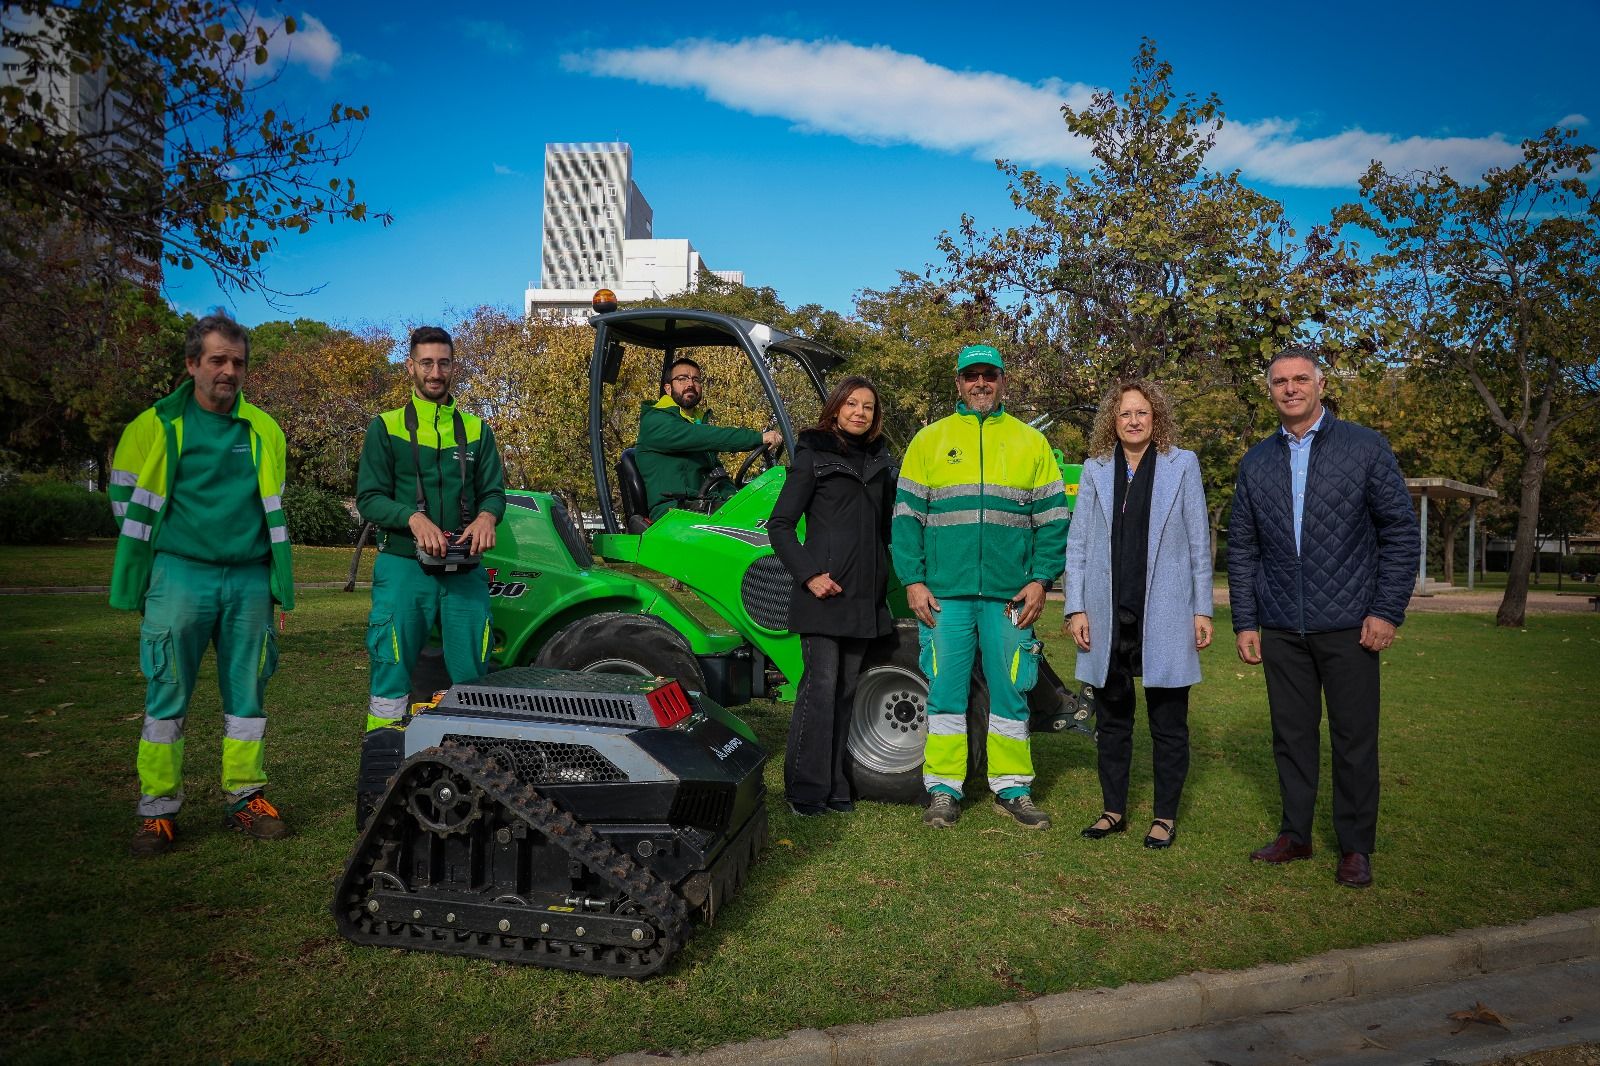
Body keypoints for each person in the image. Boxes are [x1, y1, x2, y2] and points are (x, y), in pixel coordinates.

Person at [1229, 346, 1418, 889]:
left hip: (1350, 623)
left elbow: (1401, 533)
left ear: (1319, 384)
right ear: (1270, 390)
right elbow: (1242, 548)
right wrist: (1246, 620)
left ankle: (1355, 848)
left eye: (1300, 379)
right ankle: (1296, 834)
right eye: (1280, 381)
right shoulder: (1257, 461)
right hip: (1283, 625)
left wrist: (1386, 610)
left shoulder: (1364, 447)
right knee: (1291, 736)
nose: (1290, 389)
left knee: (1354, 738)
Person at [110, 315, 296, 856]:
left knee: (249, 695)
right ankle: (158, 811)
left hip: (248, 578)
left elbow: (272, 504)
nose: (229, 371)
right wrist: (160, 556)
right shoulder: (155, 425)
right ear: (192, 364)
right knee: (167, 690)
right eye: (217, 360)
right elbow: (124, 500)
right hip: (179, 573)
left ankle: (245, 797)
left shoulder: (264, 429)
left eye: (237, 362)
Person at [891, 343, 1070, 830]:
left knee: (1012, 689)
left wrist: (1040, 581)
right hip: (944, 594)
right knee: (945, 691)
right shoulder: (928, 441)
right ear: (958, 383)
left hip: (1012, 595)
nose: (980, 384)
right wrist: (913, 581)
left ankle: (1012, 787)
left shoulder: (1030, 443)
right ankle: (944, 790)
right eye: (972, 376)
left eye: (989, 375)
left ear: (1002, 380)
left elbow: (1053, 521)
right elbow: (906, 520)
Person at [1063, 380, 1212, 849]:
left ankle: (1164, 816)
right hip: (1108, 615)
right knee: (1113, 722)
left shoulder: (1181, 464)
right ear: (1113, 419)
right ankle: (1113, 811)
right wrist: (1076, 606)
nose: (1133, 420)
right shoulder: (1094, 469)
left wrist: (1202, 609)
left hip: (1166, 612)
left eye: (1142, 413)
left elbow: (1197, 543)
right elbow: (1080, 545)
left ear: (1156, 418)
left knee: (1169, 721)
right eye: (1125, 413)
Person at [356, 326, 506, 734]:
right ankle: (383, 763)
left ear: (454, 366)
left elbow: (494, 493)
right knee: (391, 673)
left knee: (475, 679)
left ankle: (475, 768)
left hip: (464, 570)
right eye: (426, 363)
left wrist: (486, 517)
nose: (435, 372)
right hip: (404, 566)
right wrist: (412, 517)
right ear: (410, 367)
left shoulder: (477, 430)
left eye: (443, 363)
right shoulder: (384, 428)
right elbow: (368, 498)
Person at [767, 376, 895, 816]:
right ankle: (805, 788)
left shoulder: (881, 462)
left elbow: (884, 531)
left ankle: (836, 784)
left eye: (869, 407)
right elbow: (779, 525)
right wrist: (809, 576)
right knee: (819, 689)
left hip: (863, 596)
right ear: (836, 408)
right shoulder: (813, 455)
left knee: (845, 692)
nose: (860, 412)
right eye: (852, 404)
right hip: (823, 595)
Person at [635, 356, 782, 519]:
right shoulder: (656, 421)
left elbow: (716, 474)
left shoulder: (696, 424)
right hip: (672, 512)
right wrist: (757, 438)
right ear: (668, 388)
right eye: (682, 379)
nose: (690, 384)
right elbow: (709, 436)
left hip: (702, 507)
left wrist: (732, 495)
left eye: (695, 379)